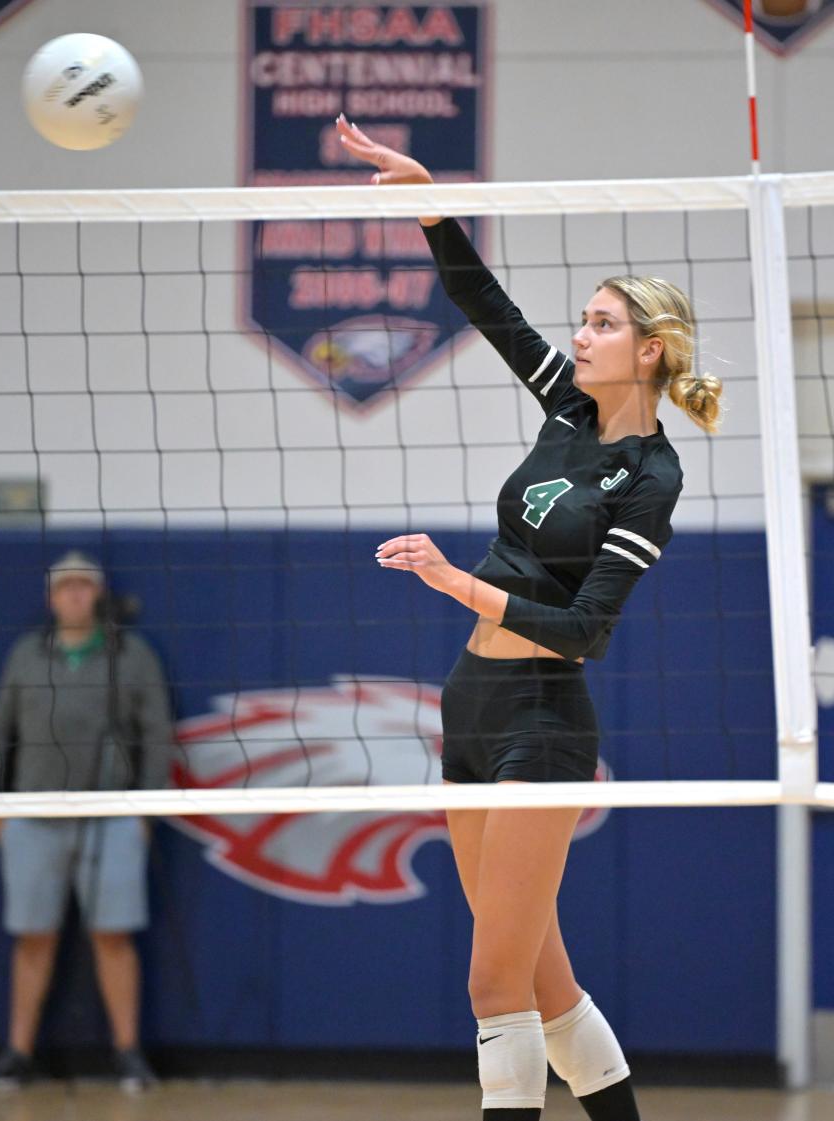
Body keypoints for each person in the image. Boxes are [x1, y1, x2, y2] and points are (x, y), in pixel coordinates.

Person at [336, 115, 722, 1121]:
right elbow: (482, 300)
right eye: (583, 319)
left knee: (489, 986)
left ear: (651, 349)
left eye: (600, 322)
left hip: (545, 721)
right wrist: (427, 198)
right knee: (545, 983)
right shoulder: (567, 411)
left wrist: (454, 579)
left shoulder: (652, 473)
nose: (580, 334)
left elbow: (588, 627)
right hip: (471, 703)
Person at [0, 551, 174, 1093]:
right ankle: (17, 1053)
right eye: (65, 587)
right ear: (51, 597)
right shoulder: (25, 654)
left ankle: (128, 1053)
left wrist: (145, 812)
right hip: (32, 815)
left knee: (113, 936)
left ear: (98, 594)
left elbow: (159, 734)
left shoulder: (130, 655)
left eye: (84, 586)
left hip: (111, 815)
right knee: (32, 937)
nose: (74, 595)